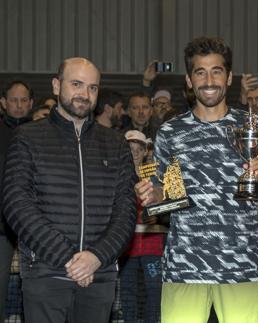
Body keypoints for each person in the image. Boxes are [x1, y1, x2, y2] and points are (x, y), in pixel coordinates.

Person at [135, 37, 258, 323]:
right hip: (183, 267)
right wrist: (151, 194)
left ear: (228, 77)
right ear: (189, 80)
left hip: (240, 267)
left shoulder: (253, 127)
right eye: (200, 72)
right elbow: (162, 190)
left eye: (216, 71)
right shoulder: (169, 132)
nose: (209, 79)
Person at [2, 57, 137, 323]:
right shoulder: (27, 137)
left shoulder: (116, 143)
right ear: (56, 85)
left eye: (92, 88)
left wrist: (96, 257)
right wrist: (69, 259)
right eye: (76, 84)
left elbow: (127, 209)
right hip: (45, 273)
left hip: (99, 276)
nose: (84, 95)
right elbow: (16, 203)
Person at [120, 130, 164, 323]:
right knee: (128, 292)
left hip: (152, 243)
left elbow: (166, 202)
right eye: (130, 148)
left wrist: (159, 214)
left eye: (139, 148)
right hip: (126, 246)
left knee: (154, 291)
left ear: (146, 151)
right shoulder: (119, 173)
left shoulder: (155, 174)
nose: (135, 152)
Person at [0, 80, 34, 320]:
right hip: (1, 227)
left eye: (24, 100)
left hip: (34, 227)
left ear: (31, 103)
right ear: (3, 103)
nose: (19, 105)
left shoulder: (42, 133)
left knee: (35, 285)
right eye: (14, 100)